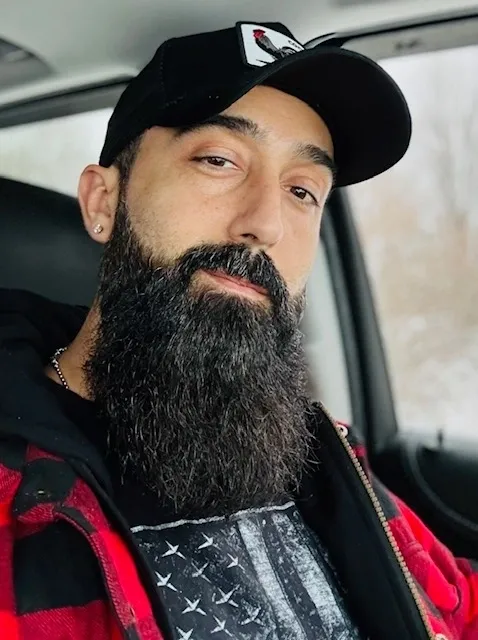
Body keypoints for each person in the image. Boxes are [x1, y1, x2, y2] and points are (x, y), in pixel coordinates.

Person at [0, 20, 476, 640]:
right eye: (219, 160)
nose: (266, 224)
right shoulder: (20, 500)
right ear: (103, 203)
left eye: (303, 190)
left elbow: (455, 607)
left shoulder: (312, 447)